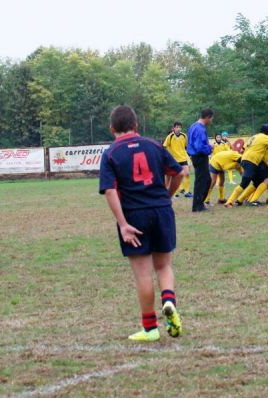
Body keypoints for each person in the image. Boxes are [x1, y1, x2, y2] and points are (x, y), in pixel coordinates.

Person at [99, 105, 183, 342]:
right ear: (136, 126)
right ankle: (168, 300)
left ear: (111, 129)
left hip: (135, 214)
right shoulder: (155, 145)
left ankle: (150, 329)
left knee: (143, 275)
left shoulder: (111, 153)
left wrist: (123, 224)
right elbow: (178, 172)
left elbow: (109, 190)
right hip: (161, 211)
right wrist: (167, 195)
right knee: (164, 266)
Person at [225, 124, 268, 208]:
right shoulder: (263, 137)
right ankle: (230, 202)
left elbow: (243, 149)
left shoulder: (254, 137)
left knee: (258, 182)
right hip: (251, 161)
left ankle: (240, 200)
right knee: (245, 182)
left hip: (245, 159)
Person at [187, 109, 214, 212]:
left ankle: (199, 204)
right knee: (201, 181)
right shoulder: (200, 129)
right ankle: (197, 206)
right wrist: (210, 148)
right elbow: (199, 147)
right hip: (200, 156)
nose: (211, 120)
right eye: (211, 118)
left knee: (206, 180)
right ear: (207, 117)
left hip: (195, 156)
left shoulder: (193, 126)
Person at [163, 121, 192, 198]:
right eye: (177, 127)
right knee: (172, 176)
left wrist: (189, 154)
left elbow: (186, 147)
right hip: (174, 159)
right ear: (174, 128)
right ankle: (172, 193)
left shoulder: (184, 136)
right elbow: (164, 146)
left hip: (183, 158)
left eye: (180, 127)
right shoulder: (170, 136)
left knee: (187, 174)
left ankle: (187, 192)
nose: (178, 129)